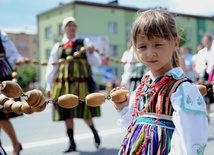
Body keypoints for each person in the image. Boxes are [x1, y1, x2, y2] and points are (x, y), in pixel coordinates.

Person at [110, 8, 209, 155]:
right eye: (143, 46)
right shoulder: (143, 85)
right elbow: (136, 125)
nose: (150, 53)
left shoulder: (183, 89)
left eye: (158, 44)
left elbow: (189, 141)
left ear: (175, 43)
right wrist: (124, 108)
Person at [45, 17, 102, 153]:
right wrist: (48, 85)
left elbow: (95, 63)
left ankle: (94, 132)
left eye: (74, 25)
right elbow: (52, 66)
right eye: (69, 25)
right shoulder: (58, 46)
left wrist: (91, 52)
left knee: (84, 110)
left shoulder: (84, 42)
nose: (72, 27)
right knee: (67, 112)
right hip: (63, 84)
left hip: (81, 83)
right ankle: (72, 143)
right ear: (64, 28)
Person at [0, 31, 24, 155]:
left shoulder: (2, 35)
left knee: (1, 114)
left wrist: (17, 60)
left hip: (2, 75)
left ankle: (15, 144)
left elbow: (12, 54)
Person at [193, 33, 214, 122]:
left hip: (212, 78)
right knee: (205, 99)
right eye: (204, 41)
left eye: (207, 40)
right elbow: (197, 66)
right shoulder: (201, 53)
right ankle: (207, 115)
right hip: (203, 78)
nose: (206, 42)